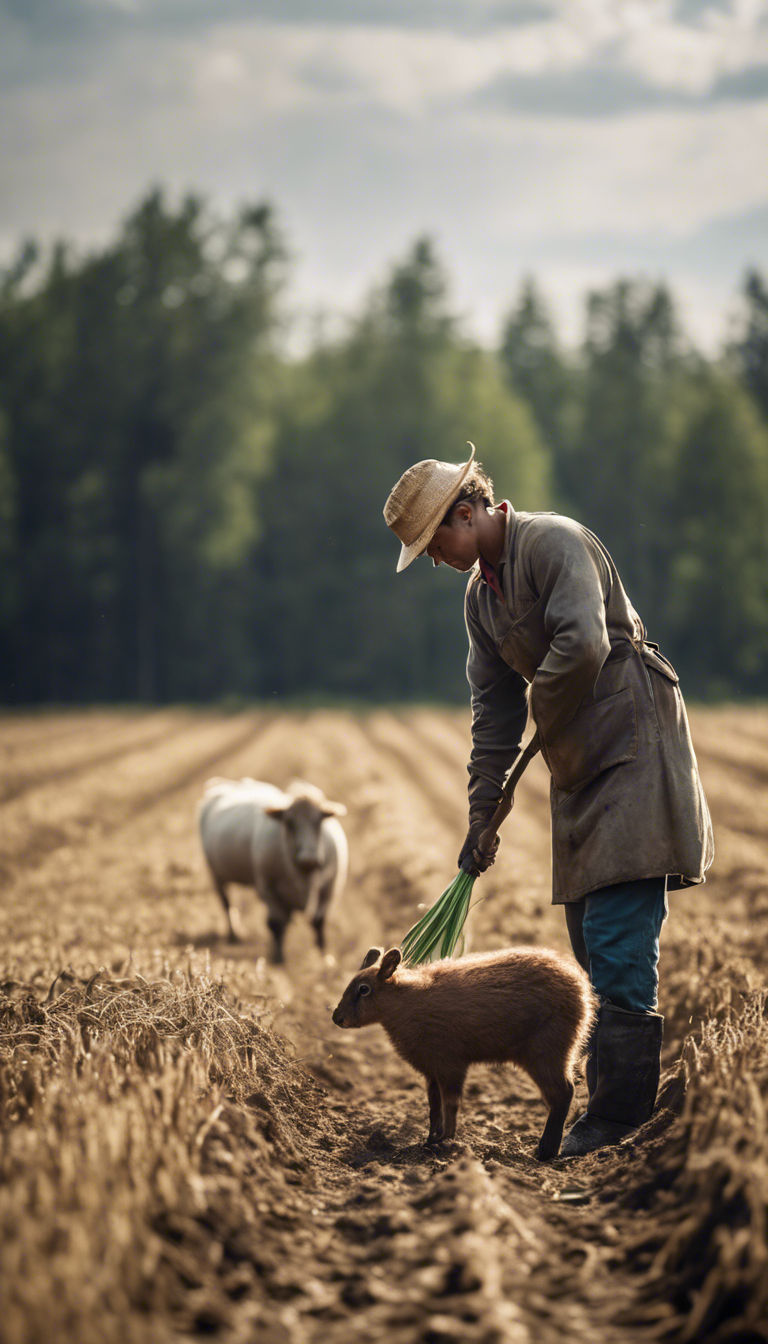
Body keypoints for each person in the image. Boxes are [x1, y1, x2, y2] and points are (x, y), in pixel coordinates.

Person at [383, 443, 714, 1157]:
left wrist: (539, 711)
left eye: (434, 541)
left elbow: (586, 644)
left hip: (632, 747)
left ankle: (618, 1119)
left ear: (466, 513)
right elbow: (491, 714)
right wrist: (481, 809)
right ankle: (604, 1108)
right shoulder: (481, 600)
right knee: (588, 948)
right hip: (577, 768)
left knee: (620, 942)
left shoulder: (556, 542)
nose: (436, 559)